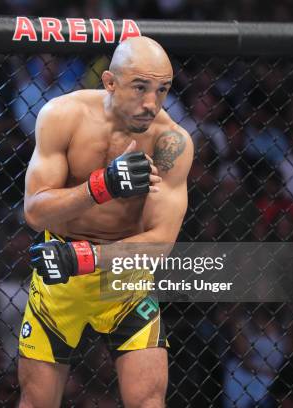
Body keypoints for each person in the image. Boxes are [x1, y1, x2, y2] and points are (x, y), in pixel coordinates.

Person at [19, 36, 193, 408]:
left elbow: (160, 243)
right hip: (59, 277)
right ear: (110, 82)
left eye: (162, 90)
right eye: (140, 87)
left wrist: (83, 258)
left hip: (124, 277)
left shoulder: (171, 143)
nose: (152, 103)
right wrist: (103, 186)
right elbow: (34, 212)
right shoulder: (62, 115)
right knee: (37, 402)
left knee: (148, 400)